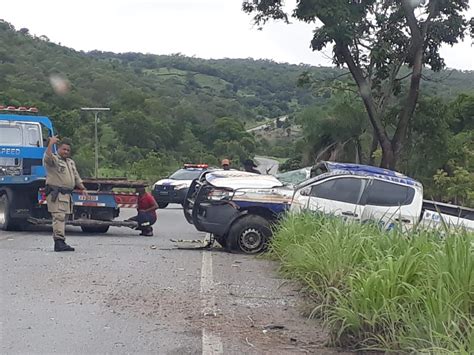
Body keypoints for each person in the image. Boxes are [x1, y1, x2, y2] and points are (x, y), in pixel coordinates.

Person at [43, 136, 87, 252]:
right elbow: (47, 157)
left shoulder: (70, 162)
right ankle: (59, 242)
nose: (66, 152)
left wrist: (82, 188)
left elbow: (76, 176)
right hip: (56, 194)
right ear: (58, 149)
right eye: (64, 149)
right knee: (59, 217)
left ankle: (61, 241)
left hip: (67, 195)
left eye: (68, 150)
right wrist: (50, 144)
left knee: (64, 218)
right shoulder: (54, 160)